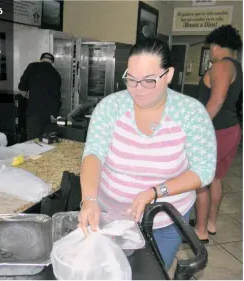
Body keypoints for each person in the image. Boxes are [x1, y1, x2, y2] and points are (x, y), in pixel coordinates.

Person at [78, 38, 217, 270]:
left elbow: (203, 171)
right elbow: (93, 154)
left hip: (164, 221)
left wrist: (154, 192)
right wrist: (89, 200)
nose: (138, 89)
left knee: (149, 272)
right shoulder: (111, 107)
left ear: (169, 74)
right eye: (131, 80)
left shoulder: (191, 113)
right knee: (110, 270)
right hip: (111, 216)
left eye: (148, 81)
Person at [192, 25, 243, 242]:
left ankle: (200, 230)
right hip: (229, 130)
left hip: (215, 132)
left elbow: (216, 101)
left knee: (200, 181)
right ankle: (210, 224)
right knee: (216, 180)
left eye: (211, 47)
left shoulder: (222, 67)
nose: (211, 52)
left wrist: (196, 129)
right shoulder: (236, 67)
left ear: (218, 45)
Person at [18, 52, 62, 140]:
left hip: (34, 112)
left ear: (41, 59)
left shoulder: (32, 67)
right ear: (52, 62)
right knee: (45, 142)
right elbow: (57, 96)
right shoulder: (56, 74)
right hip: (50, 115)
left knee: (32, 142)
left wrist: (29, 96)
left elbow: (22, 88)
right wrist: (54, 115)